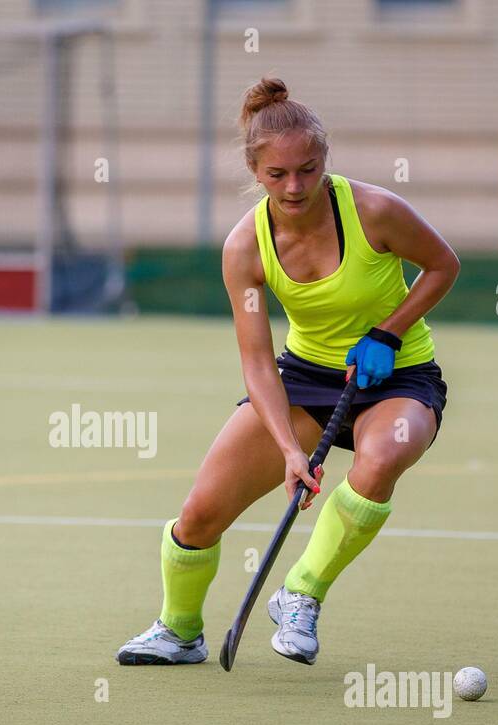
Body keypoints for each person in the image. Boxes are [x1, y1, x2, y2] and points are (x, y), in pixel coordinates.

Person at [116, 76, 459, 667]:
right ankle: (179, 632)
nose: (295, 186)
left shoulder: (374, 211)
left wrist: (390, 331)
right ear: (255, 171)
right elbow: (256, 360)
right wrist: (288, 451)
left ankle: (300, 594)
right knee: (199, 515)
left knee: (381, 460)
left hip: (397, 376)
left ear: (324, 158)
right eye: (278, 176)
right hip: (301, 381)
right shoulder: (245, 248)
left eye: (308, 169)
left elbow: (442, 265)